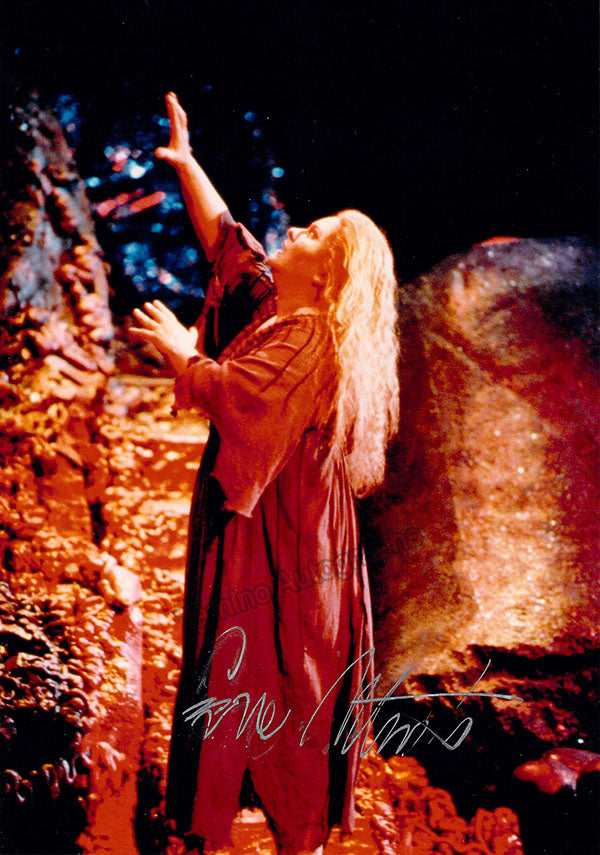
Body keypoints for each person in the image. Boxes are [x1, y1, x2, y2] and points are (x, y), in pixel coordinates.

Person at [129, 92, 400, 855]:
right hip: (271, 534)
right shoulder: (284, 311)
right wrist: (187, 163)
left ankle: (297, 839)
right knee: (252, 674)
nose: (298, 229)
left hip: (289, 550)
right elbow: (231, 246)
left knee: (286, 679)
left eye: (314, 234)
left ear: (330, 276)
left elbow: (241, 398)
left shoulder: (311, 336)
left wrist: (183, 356)